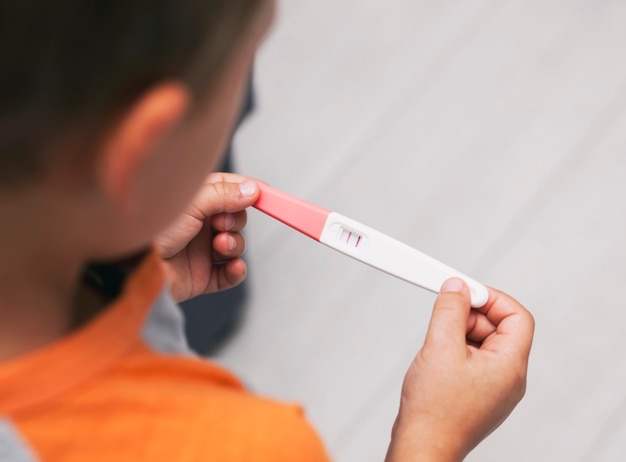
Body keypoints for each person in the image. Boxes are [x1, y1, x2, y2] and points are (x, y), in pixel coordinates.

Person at [0, 1, 534, 461]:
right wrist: (429, 439)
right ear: (144, 151)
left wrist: (137, 295)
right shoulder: (243, 448)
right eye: (242, 72)